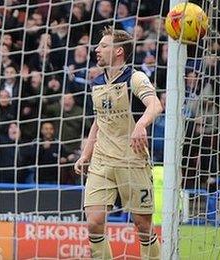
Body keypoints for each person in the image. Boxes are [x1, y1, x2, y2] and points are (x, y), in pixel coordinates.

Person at [74, 27, 163, 260]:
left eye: (103, 45)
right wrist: (86, 154)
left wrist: (141, 125)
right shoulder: (96, 82)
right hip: (102, 160)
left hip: (132, 159)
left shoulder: (135, 78)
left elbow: (155, 105)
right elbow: (98, 122)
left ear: (119, 51)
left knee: (143, 226)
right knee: (94, 222)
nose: (97, 49)